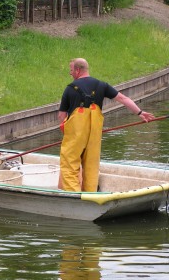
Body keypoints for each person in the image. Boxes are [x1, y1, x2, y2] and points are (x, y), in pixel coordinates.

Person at [58, 58, 154, 192]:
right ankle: (90, 194)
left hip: (75, 135)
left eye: (71, 70)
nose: (71, 73)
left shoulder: (70, 89)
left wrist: (65, 134)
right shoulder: (101, 85)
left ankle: (74, 195)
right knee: (91, 165)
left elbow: (62, 116)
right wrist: (140, 112)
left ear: (78, 70)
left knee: (69, 164)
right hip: (94, 134)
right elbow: (123, 99)